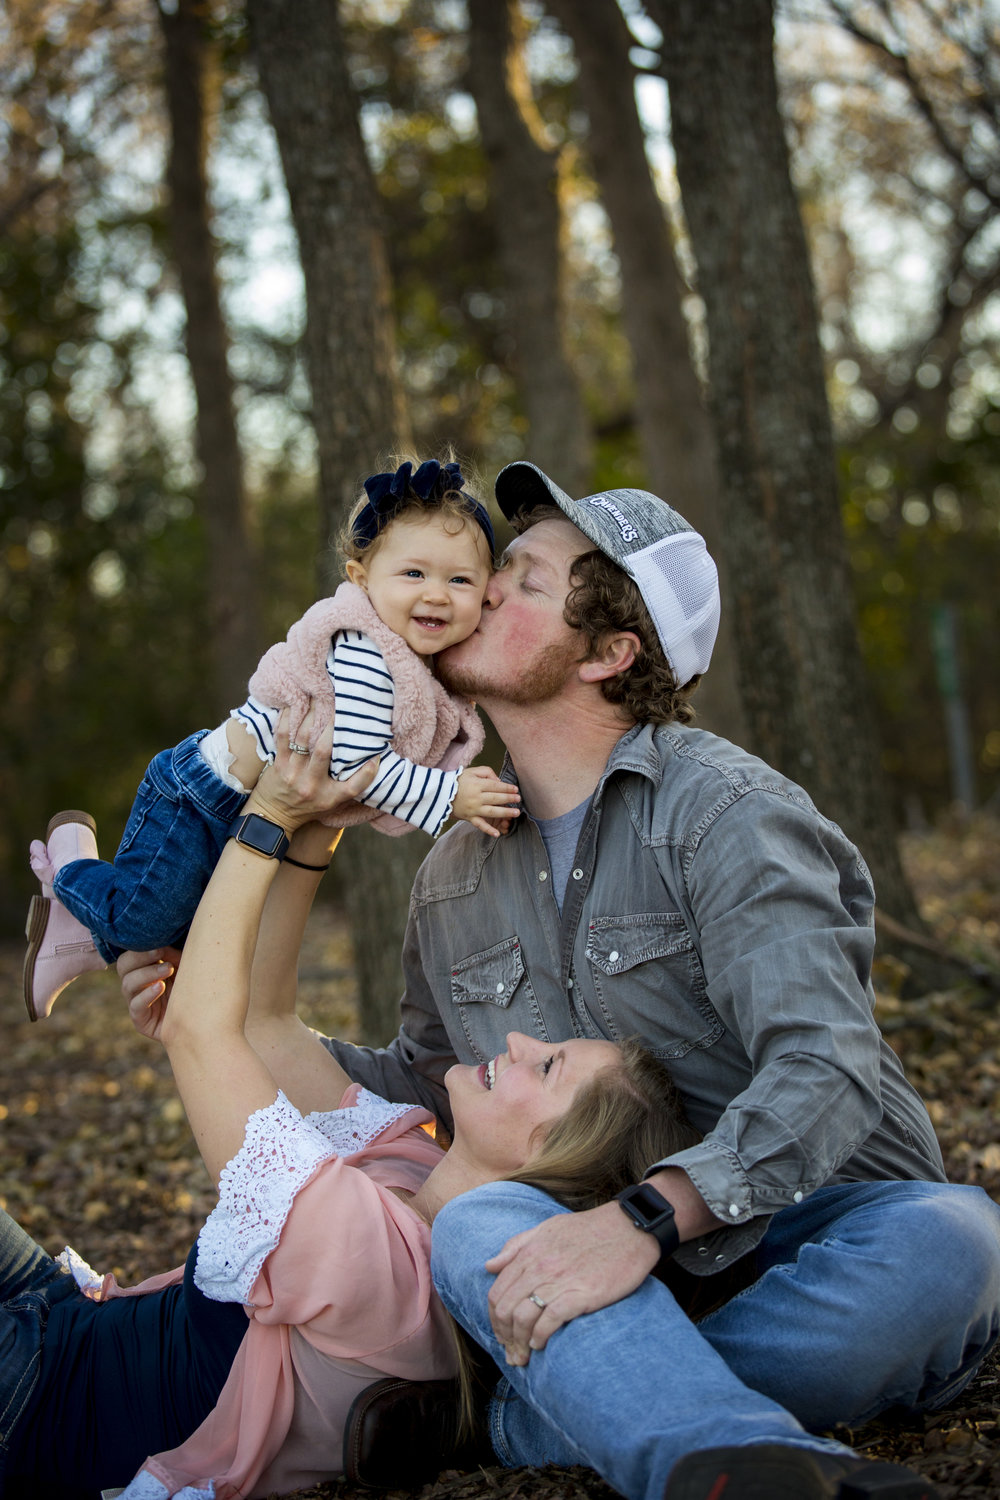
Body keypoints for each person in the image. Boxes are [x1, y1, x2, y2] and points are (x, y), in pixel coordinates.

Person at [300, 461, 1000, 1500]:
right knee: (475, 1224)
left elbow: (827, 1067)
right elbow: (421, 1083)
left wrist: (643, 1221)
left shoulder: (723, 812)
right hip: (578, 1265)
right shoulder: (454, 866)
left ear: (611, 654)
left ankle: (536, 1418)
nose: (480, 588)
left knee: (957, 1240)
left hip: (799, 1245)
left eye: (524, 583)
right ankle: (731, 1455)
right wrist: (216, 1011)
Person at [2, 714, 697, 1500]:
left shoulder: (385, 1278)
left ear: (558, 1160)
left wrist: (270, 814)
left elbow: (208, 1026)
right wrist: (315, 836)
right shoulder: (413, 1159)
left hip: (31, 1399)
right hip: (57, 1309)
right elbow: (262, 1020)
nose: (517, 1039)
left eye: (552, 1066)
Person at [23, 457, 521, 1022]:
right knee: (145, 923)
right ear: (362, 580)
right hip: (201, 796)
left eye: (460, 580)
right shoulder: (367, 651)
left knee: (174, 941)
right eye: (413, 574)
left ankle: (77, 940)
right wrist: (449, 794)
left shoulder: (409, 660)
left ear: (485, 594)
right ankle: (68, 866)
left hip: (241, 809)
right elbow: (349, 766)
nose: (436, 594)